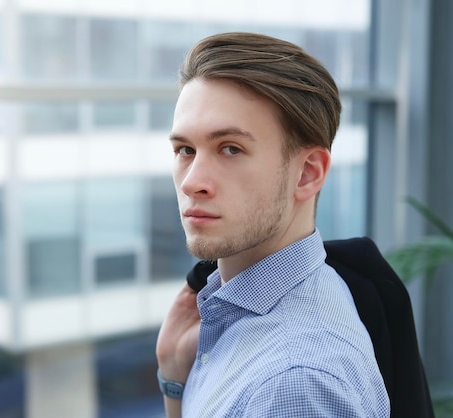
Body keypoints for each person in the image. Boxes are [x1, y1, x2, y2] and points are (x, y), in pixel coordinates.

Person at [156, 32, 390, 417]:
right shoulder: (242, 318)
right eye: (185, 150)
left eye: (230, 148)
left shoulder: (293, 384)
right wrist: (174, 379)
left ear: (307, 174)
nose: (191, 181)